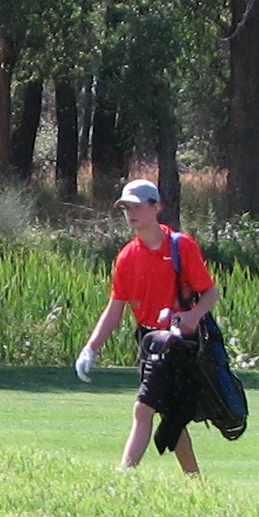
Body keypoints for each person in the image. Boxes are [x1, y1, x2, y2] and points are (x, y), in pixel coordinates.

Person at [74, 178, 220, 475]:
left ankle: (124, 476)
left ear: (157, 208)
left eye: (138, 207)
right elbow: (115, 309)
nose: (131, 214)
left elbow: (210, 292)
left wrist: (194, 316)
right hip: (148, 342)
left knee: (143, 408)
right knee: (170, 414)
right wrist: (91, 347)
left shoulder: (181, 246)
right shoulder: (127, 256)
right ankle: (195, 482)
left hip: (178, 342)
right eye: (126, 208)